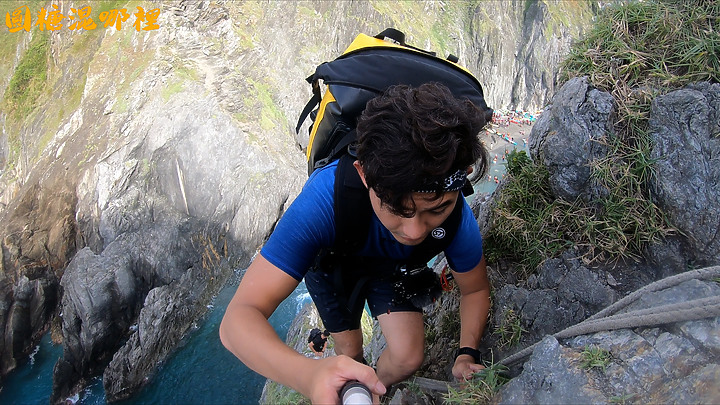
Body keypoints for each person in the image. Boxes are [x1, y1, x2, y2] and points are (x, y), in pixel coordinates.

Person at [220, 83, 491, 404]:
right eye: (396, 209)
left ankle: (367, 390)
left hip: (392, 269)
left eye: (436, 209)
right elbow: (237, 319)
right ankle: (352, 384)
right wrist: (308, 376)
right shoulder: (326, 198)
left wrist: (466, 353)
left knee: (408, 358)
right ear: (364, 175)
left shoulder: (457, 215)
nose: (415, 230)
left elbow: (474, 289)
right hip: (334, 268)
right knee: (349, 354)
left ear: (465, 176)